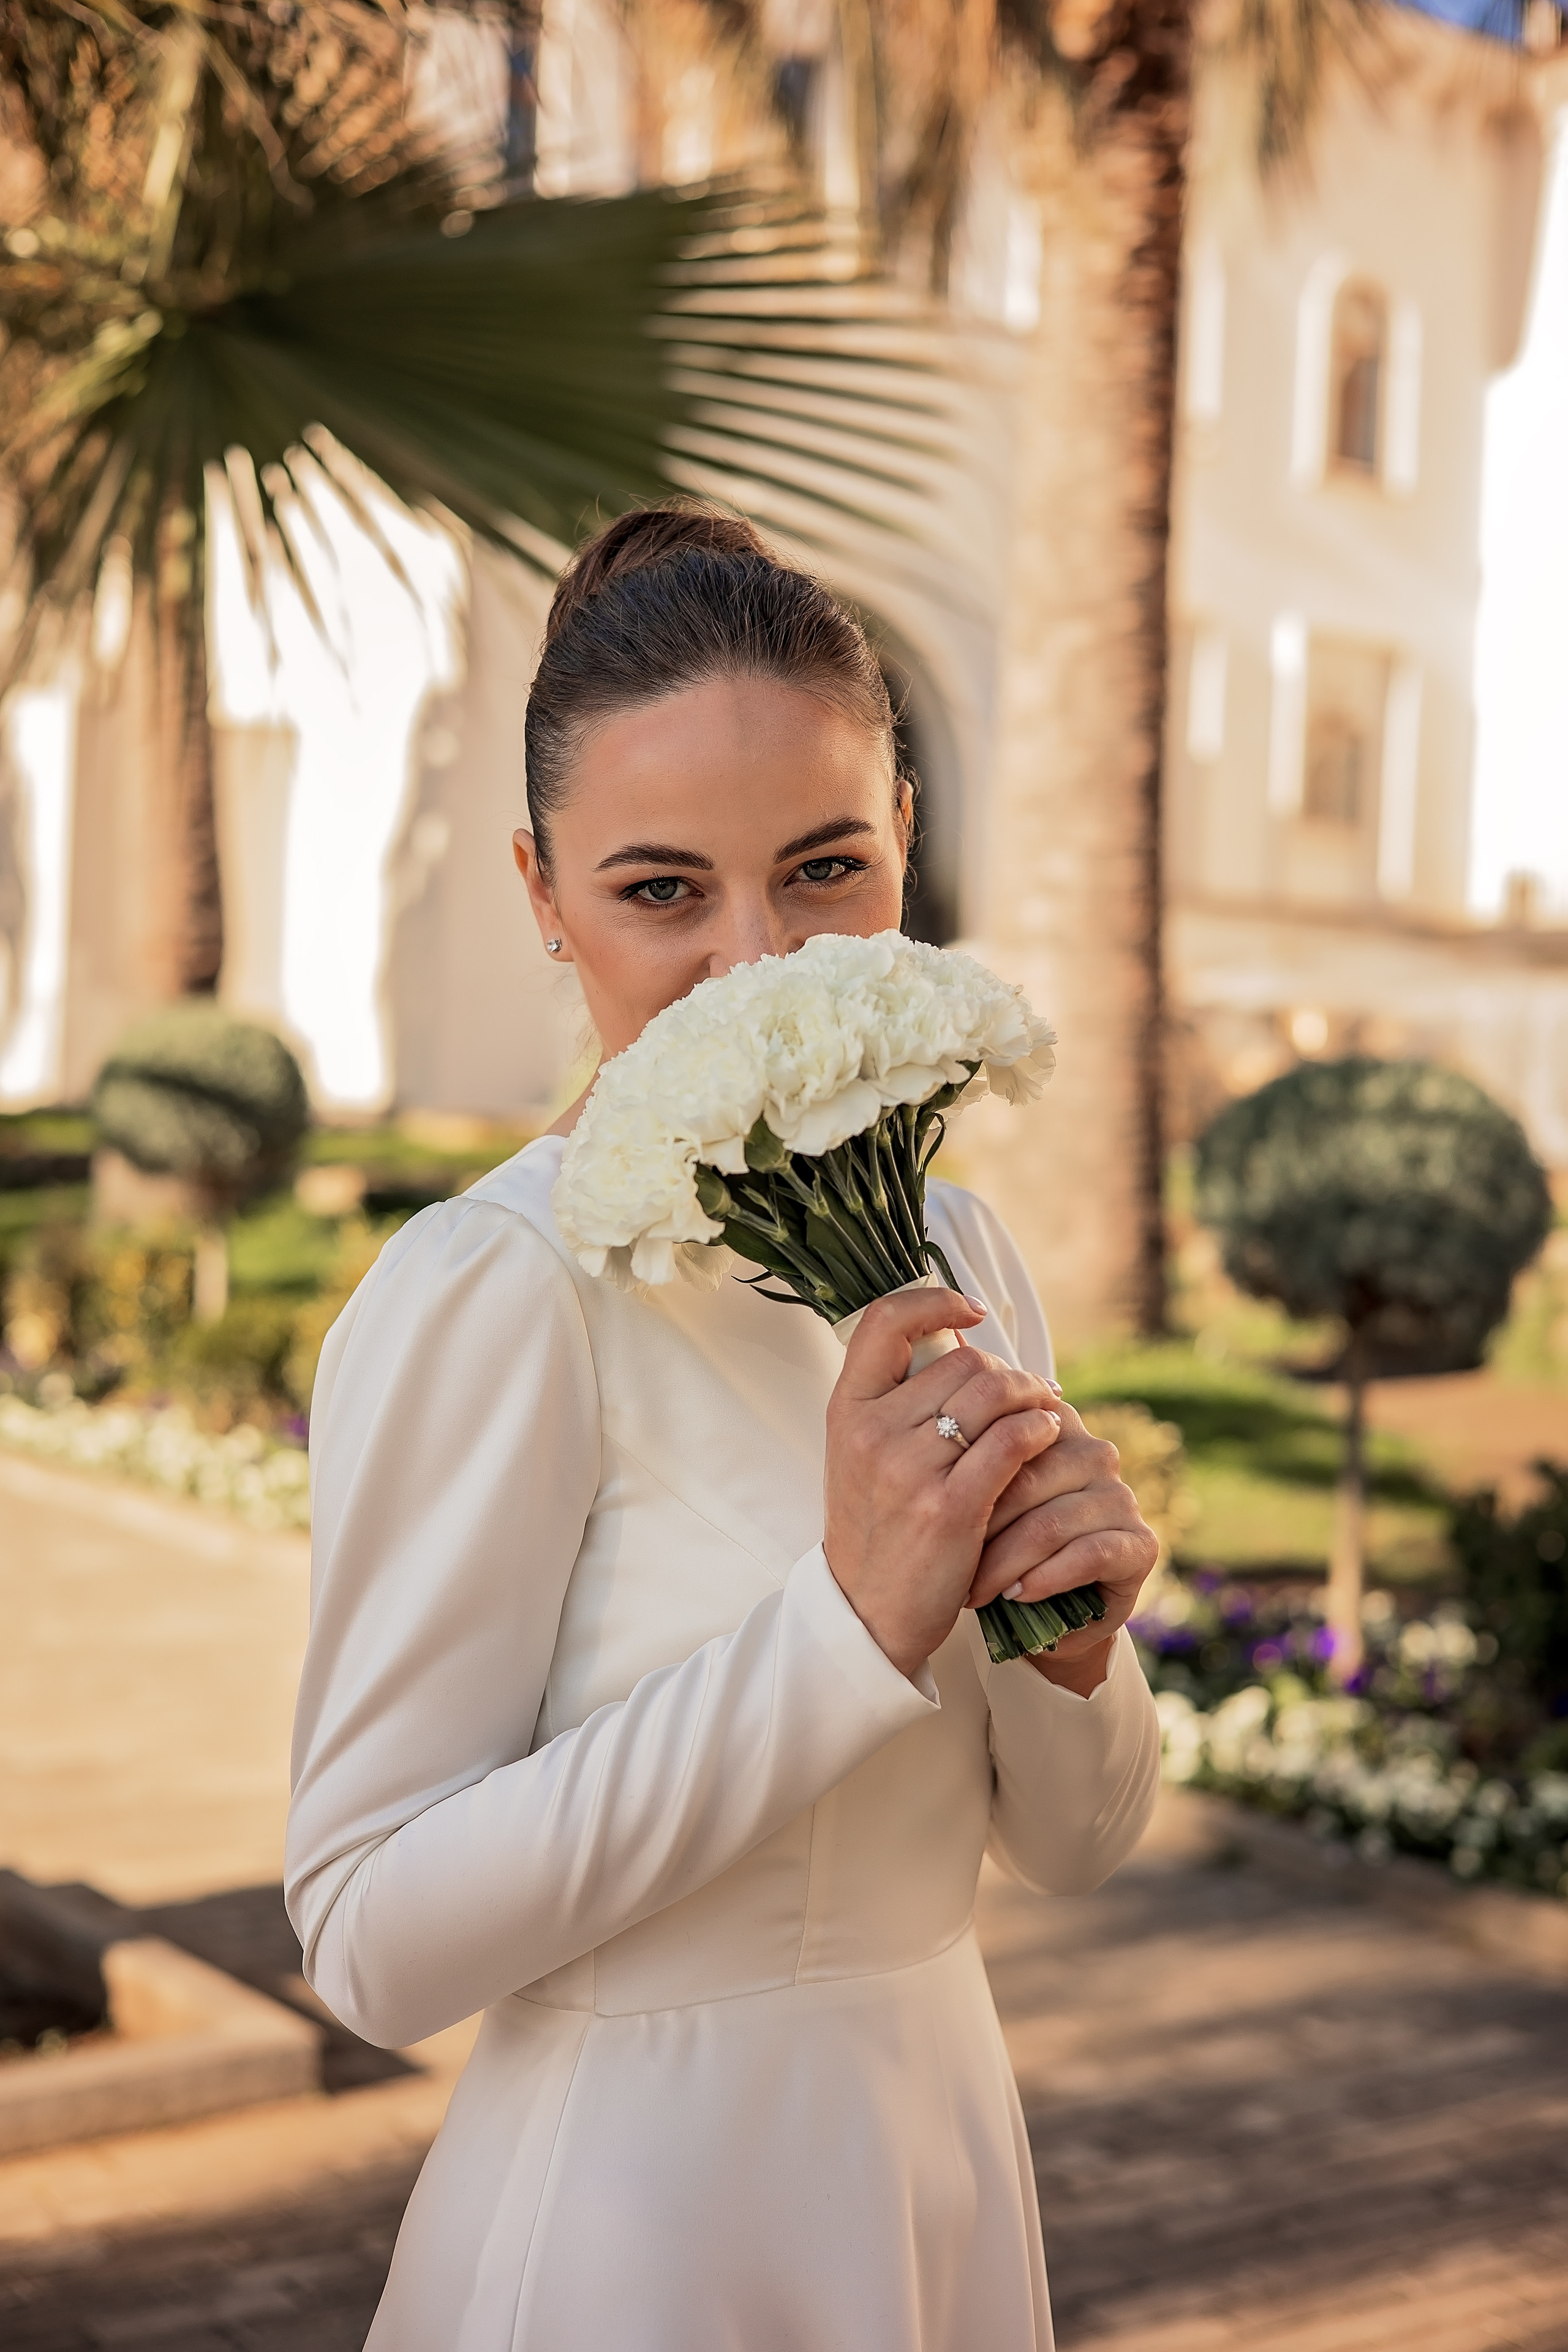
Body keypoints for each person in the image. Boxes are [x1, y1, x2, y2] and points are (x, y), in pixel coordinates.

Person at [285, 505, 1163, 2351]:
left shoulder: (957, 1241)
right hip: (636, 2226)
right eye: (661, 889)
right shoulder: (496, 1284)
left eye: (828, 867)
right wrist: (842, 1626)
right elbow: (370, 1938)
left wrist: (1074, 1659)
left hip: (941, 2169)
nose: (759, 963)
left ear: (908, 838)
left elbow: (1073, 1853)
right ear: (542, 890)